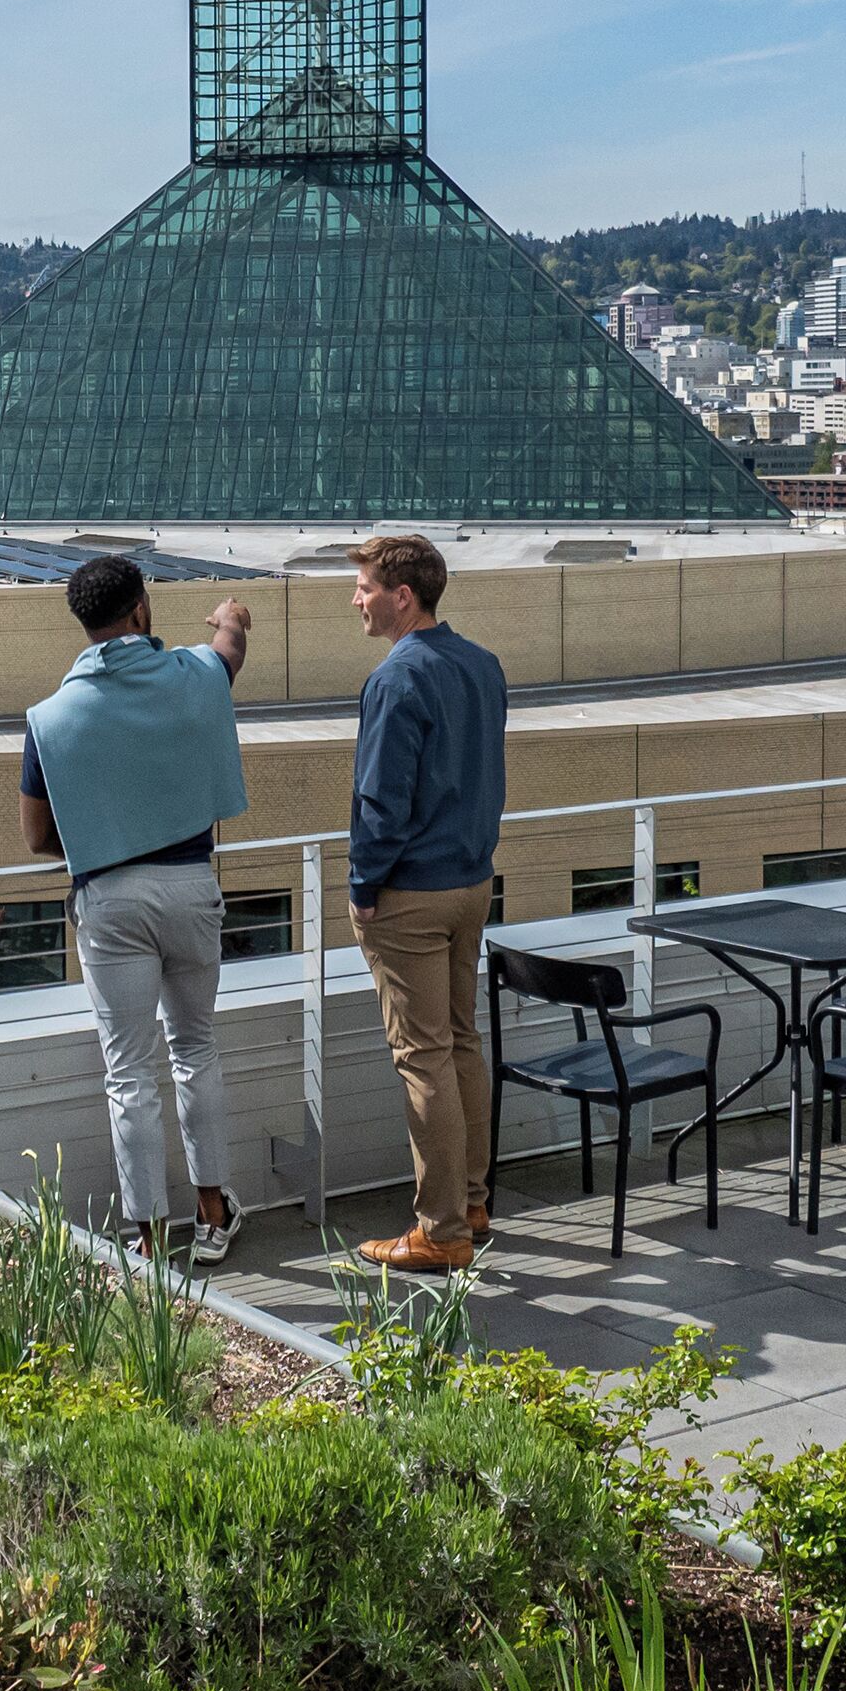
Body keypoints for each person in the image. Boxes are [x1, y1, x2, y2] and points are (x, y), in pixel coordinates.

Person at [19, 553, 251, 1260]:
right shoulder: (192, 674)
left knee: (128, 1071)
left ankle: (146, 1238)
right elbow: (230, 650)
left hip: (111, 898)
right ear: (142, 611)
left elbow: (37, 837)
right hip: (190, 885)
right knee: (195, 1048)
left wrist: (110, 827)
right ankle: (213, 1213)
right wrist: (230, 616)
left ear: (84, 624)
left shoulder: (51, 716)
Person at [344, 531, 508, 1272]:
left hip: (410, 893)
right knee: (462, 1042)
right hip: (472, 882)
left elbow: (382, 803)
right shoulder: (482, 665)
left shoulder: (395, 680)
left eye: (366, 589)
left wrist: (362, 887)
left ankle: (441, 1232)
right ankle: (471, 1201)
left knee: (424, 1057)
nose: (358, 600)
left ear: (401, 596)